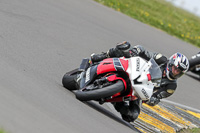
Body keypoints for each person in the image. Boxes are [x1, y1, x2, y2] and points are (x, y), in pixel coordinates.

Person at [91, 41, 189, 122]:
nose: (176, 72)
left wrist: (150, 99)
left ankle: (116, 101)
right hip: (136, 71)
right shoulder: (161, 59)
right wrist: (135, 50)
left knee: (132, 115)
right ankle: (102, 56)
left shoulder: (171, 86)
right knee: (124, 49)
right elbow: (144, 51)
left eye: (179, 72)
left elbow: (157, 98)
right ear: (171, 63)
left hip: (139, 91)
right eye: (175, 68)